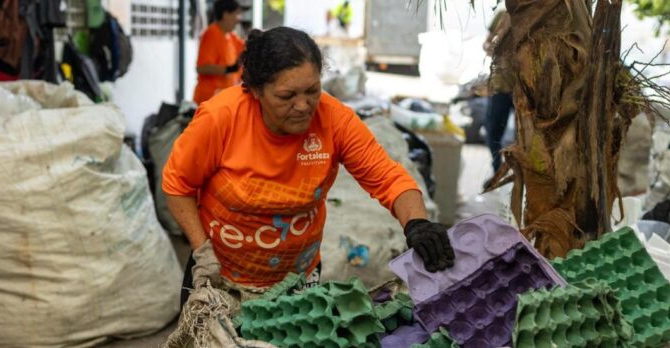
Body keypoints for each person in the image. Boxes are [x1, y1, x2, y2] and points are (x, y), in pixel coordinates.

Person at [164, 27, 456, 303]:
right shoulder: (221, 118)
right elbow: (178, 185)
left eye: (312, 91)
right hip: (221, 278)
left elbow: (390, 178)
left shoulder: (334, 120)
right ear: (255, 91)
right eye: (287, 96)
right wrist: (202, 251)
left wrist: (417, 223)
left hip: (297, 282)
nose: (303, 105)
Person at [193, 0, 247, 104]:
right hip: (209, 100)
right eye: (236, 14)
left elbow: (246, 48)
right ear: (226, 14)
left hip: (225, 98)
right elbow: (202, 68)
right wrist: (229, 69)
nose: (238, 20)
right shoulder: (211, 34)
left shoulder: (231, 36)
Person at [483, 10, 514, 172]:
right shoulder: (503, 14)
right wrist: (495, 49)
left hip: (525, 89)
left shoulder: (537, 13)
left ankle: (521, 171)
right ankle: (497, 169)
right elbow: (486, 44)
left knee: (525, 135)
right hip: (501, 85)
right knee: (493, 130)